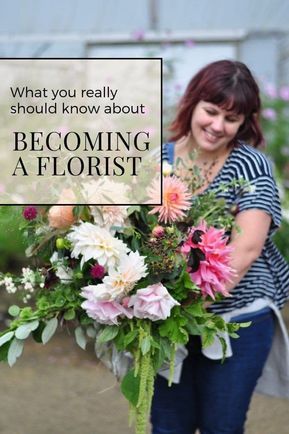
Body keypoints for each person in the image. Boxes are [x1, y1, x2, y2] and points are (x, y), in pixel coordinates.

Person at [151, 60, 289, 434]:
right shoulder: (156, 162)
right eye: (210, 111)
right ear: (192, 104)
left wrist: (181, 310)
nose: (217, 126)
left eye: (231, 118)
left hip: (239, 316)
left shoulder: (251, 166)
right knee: (168, 426)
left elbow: (243, 252)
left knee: (221, 426)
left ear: (244, 122)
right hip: (165, 318)